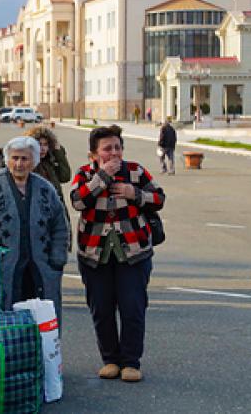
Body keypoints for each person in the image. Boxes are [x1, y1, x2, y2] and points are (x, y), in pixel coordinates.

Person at [70, 125, 165, 383]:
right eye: (107, 149)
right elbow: (78, 201)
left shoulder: (135, 171)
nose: (114, 153)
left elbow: (159, 198)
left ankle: (131, 362)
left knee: (132, 307)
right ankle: (110, 359)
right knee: (101, 307)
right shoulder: (85, 174)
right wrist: (101, 178)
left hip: (134, 251)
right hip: (94, 252)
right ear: (94, 154)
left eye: (117, 147)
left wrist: (136, 194)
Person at [0, 136, 69, 322]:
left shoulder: (45, 189)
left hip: (41, 268)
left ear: (34, 161)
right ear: (7, 159)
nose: (19, 163)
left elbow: (59, 225)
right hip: (3, 268)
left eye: (24, 159)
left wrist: (57, 258)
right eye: (14, 158)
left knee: (42, 324)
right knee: (5, 322)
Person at [25, 126, 72, 248]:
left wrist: (58, 152)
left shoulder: (49, 163)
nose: (42, 148)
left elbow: (65, 176)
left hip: (55, 215)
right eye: (39, 144)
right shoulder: (27, 165)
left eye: (45, 144)